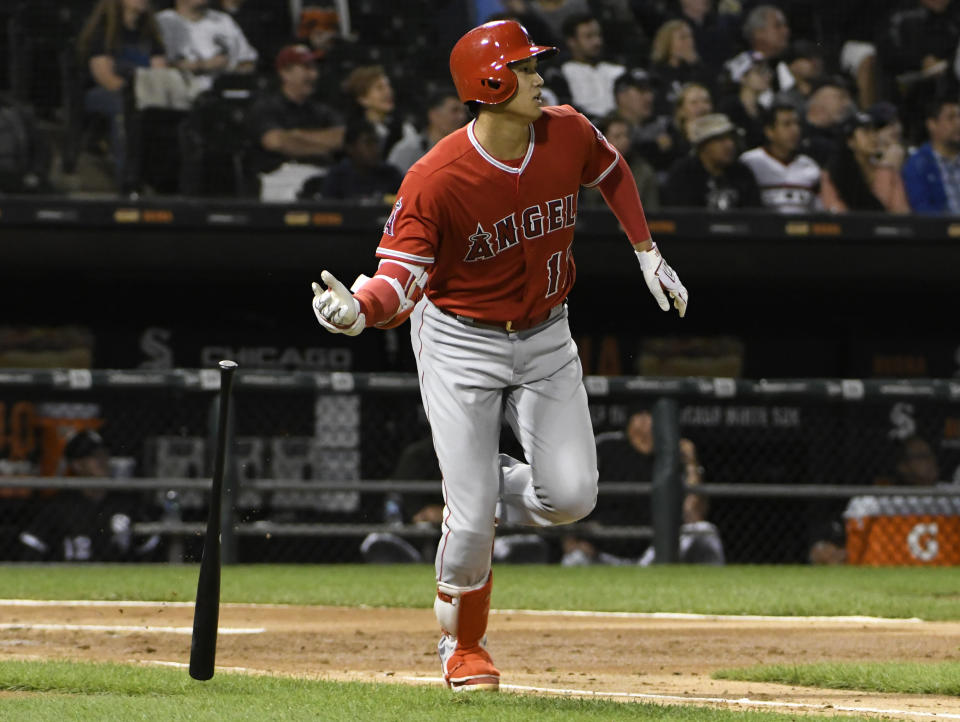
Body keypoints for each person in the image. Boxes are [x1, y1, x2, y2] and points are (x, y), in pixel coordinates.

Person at [310, 19, 687, 692]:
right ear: (490, 83)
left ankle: (488, 480)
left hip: (546, 332)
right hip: (460, 339)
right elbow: (399, 279)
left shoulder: (566, 131)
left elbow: (611, 168)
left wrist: (646, 250)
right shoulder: (436, 177)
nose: (539, 78)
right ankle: (464, 645)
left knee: (570, 498)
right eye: (526, 69)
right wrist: (358, 310)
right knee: (471, 512)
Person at [561, 410, 723, 566]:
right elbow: (569, 494)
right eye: (653, 416)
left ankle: (715, 590)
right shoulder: (605, 447)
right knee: (574, 560)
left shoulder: (671, 455)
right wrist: (571, 542)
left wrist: (691, 464)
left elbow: (694, 517)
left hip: (652, 556)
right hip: (599, 554)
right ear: (638, 419)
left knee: (704, 531)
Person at [17, 430, 161, 562]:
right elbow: (31, 547)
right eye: (95, 456)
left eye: (105, 454)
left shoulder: (123, 502)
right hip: (69, 578)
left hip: (117, 578)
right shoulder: (60, 506)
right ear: (77, 465)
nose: (103, 460)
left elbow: (149, 546)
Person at [76, 0, 167, 189]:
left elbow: (160, 72)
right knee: (124, 107)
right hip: (106, 93)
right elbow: (105, 77)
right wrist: (135, 94)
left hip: (144, 93)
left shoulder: (150, 34)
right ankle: (127, 177)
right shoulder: (104, 31)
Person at [247, 44, 345, 201]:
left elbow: (343, 138)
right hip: (280, 178)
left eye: (314, 68)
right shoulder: (267, 107)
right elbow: (275, 142)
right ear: (285, 73)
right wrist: (323, 145)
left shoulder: (321, 109)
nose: (313, 75)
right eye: (306, 68)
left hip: (321, 174)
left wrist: (296, 136)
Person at [661, 112, 763, 209]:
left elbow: (755, 215)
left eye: (731, 139)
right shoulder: (683, 173)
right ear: (703, 145)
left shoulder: (742, 173)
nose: (730, 145)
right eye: (721, 139)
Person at [156, 0, 257, 95]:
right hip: (179, 97)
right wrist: (201, 66)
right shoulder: (162, 22)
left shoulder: (223, 20)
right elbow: (158, 68)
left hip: (223, 96)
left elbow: (248, 61)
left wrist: (231, 72)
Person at [820, 111, 911, 213]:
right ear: (850, 141)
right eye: (866, 132)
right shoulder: (833, 173)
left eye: (874, 131)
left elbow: (901, 212)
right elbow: (836, 212)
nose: (873, 137)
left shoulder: (888, 173)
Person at [740, 101, 821, 213]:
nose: (795, 130)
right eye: (787, 124)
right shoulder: (750, 162)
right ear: (769, 132)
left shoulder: (810, 166)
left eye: (797, 124)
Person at [580, 114, 659, 211]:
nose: (625, 141)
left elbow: (652, 212)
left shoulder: (643, 171)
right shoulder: (586, 170)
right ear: (602, 140)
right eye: (618, 136)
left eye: (626, 136)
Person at [315, 119, 403, 202]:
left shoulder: (391, 174)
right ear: (350, 147)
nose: (376, 149)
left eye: (376, 142)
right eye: (368, 143)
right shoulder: (337, 178)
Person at [341, 65, 417, 158]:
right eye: (379, 88)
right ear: (363, 99)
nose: (388, 92)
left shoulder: (404, 129)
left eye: (388, 86)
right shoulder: (355, 134)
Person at [559, 13, 625, 119]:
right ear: (572, 42)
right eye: (589, 37)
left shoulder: (617, 70)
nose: (597, 42)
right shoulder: (563, 72)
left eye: (598, 35)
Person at [387, 90, 468, 174]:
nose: (462, 117)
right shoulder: (408, 149)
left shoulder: (466, 151)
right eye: (455, 110)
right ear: (434, 115)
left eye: (464, 111)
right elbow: (392, 183)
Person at [902, 97, 960, 213]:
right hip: (943, 229)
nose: (958, 123)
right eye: (951, 118)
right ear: (932, 124)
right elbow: (923, 210)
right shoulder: (917, 165)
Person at [650, 19, 716, 117]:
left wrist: (695, 64)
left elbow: (713, 93)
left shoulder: (698, 69)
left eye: (690, 36)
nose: (689, 41)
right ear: (667, 43)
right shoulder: (656, 73)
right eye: (683, 37)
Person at [719, 51, 773, 150]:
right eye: (759, 72)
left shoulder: (764, 111)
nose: (767, 76)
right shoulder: (728, 108)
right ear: (742, 77)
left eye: (766, 71)